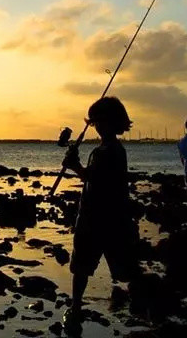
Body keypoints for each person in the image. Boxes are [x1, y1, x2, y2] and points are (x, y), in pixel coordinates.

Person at [62, 97, 138, 326]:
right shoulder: (115, 149)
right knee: (125, 268)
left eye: (97, 122)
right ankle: (142, 303)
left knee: (82, 267)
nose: (95, 126)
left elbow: (94, 180)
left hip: (95, 218)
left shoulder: (104, 152)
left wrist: (74, 166)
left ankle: (76, 308)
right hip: (115, 218)